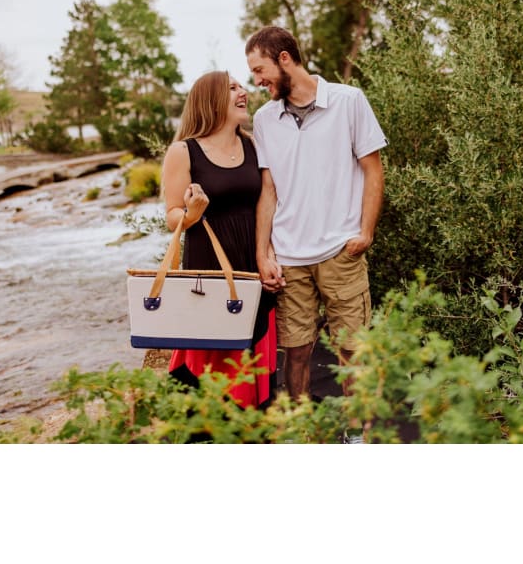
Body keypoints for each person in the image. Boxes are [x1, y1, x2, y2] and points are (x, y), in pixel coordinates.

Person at [247, 26, 388, 402]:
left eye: (260, 70)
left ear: (284, 59)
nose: (256, 81)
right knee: (294, 352)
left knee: (353, 352)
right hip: (290, 261)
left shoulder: (349, 101)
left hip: (341, 252)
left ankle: (357, 434)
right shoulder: (263, 120)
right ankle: (301, 432)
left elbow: (374, 169)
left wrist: (365, 233)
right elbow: (269, 190)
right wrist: (263, 254)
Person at [158, 70, 277, 409]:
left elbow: (265, 207)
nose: (244, 92)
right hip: (209, 273)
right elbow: (172, 216)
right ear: (210, 99)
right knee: (217, 366)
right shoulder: (183, 152)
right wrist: (192, 212)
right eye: (232, 87)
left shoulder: (253, 145)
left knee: (252, 354)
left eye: (243, 86)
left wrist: (268, 255)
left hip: (251, 269)